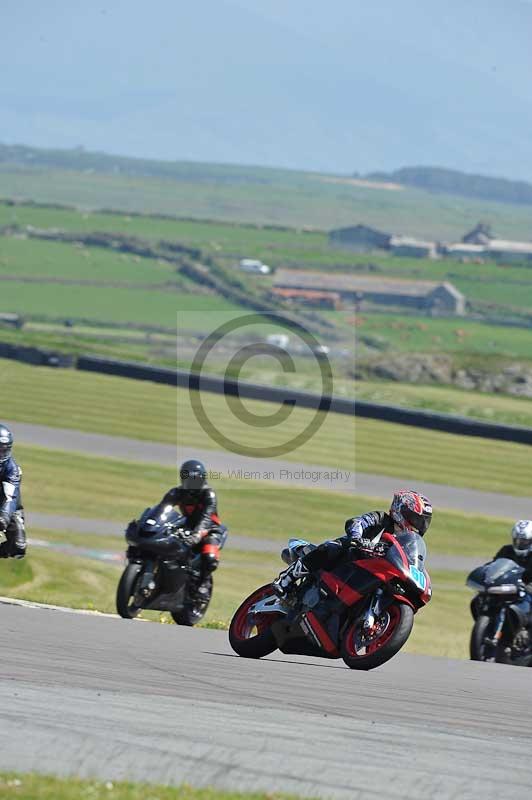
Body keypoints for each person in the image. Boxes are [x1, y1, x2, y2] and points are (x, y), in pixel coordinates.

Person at [273, 489, 432, 598]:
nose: (417, 526)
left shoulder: (407, 542)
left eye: (422, 522)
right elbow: (357, 522)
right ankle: (286, 579)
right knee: (333, 547)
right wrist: (357, 537)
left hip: (370, 574)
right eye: (415, 519)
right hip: (350, 558)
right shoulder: (381, 518)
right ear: (400, 510)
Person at [159, 459, 227, 598]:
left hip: (211, 530)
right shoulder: (177, 492)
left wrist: (197, 535)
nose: (191, 483)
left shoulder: (208, 494)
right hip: (187, 527)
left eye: (195, 479)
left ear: (202, 478)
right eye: (188, 479)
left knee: (209, 557)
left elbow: (206, 518)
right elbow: (161, 510)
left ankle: (203, 583)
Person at [0, 424, 26, 560]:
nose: (1, 454)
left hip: (8, 506)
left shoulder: (13, 470)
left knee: (18, 546)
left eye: (3, 450)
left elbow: (10, 498)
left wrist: (3, 517)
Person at [492, 520, 532, 586]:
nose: (520, 543)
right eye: (517, 540)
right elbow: (493, 565)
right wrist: (484, 571)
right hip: (505, 588)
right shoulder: (506, 550)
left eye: (524, 541)